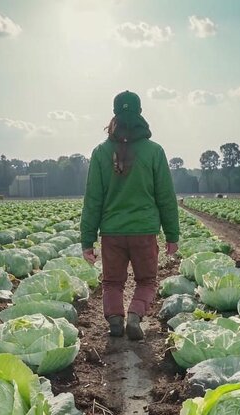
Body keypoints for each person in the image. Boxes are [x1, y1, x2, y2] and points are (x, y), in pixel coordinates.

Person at [80, 90, 180, 340]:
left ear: (114, 115)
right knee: (146, 281)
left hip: (112, 233)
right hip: (144, 232)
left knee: (112, 283)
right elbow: (165, 197)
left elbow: (93, 200)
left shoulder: (101, 152)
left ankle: (115, 319)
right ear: (140, 113)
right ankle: (135, 315)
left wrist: (87, 240)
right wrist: (172, 234)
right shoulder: (154, 151)